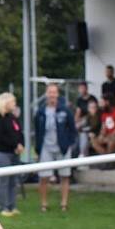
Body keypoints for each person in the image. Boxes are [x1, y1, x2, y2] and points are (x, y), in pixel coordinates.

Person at [34, 83, 76, 212]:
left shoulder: (65, 110)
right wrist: (38, 148)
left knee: (64, 175)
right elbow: (37, 131)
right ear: (46, 94)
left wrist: (68, 143)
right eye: (49, 92)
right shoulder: (40, 112)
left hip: (62, 148)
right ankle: (44, 204)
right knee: (44, 177)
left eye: (54, 92)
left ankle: (64, 204)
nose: (52, 95)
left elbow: (72, 129)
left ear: (57, 94)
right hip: (46, 147)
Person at [0, 92, 24, 216]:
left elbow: (19, 132)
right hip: (3, 153)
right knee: (4, 181)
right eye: (13, 102)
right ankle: (3, 207)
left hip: (15, 153)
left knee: (13, 181)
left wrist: (21, 144)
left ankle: (12, 206)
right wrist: (15, 145)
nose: (15, 105)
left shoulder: (13, 117)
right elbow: (0, 136)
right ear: (5, 102)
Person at [74, 82, 97, 156]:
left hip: (91, 121)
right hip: (84, 120)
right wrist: (75, 122)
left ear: (86, 88)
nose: (81, 90)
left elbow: (94, 114)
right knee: (77, 130)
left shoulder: (92, 98)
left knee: (83, 133)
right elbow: (78, 113)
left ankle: (82, 154)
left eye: (82, 88)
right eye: (80, 88)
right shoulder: (79, 100)